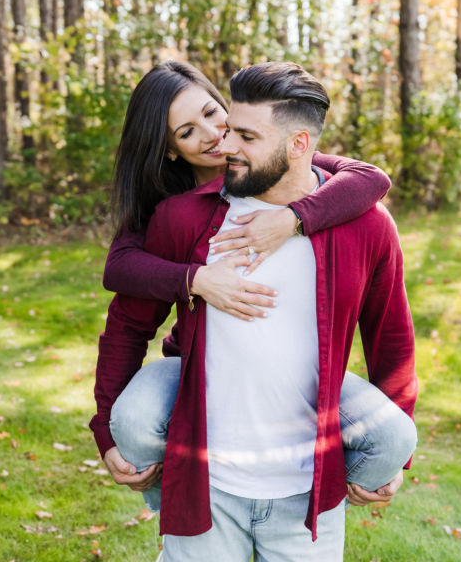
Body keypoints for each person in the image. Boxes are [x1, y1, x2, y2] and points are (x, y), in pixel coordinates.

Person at [90, 62, 418, 561]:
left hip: (307, 492)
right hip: (207, 474)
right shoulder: (182, 215)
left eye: (235, 129)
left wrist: (390, 460)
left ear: (298, 144)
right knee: (133, 418)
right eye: (189, 131)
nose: (222, 143)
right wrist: (194, 279)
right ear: (170, 147)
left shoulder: (362, 223)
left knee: (396, 434)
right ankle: (167, 491)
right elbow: (128, 313)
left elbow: (390, 338)